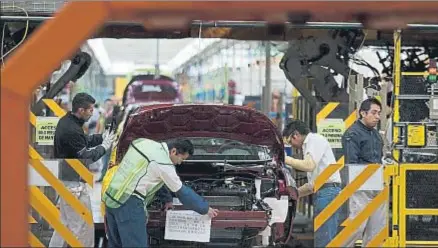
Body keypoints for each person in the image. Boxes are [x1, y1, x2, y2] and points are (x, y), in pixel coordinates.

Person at [102, 138, 219, 248]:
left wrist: (167, 199)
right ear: (173, 151)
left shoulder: (144, 143)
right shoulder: (164, 165)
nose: (179, 163)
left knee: (116, 244)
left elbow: (152, 175)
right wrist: (205, 208)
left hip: (112, 198)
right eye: (182, 159)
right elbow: (183, 193)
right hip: (129, 204)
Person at [49, 92, 115, 248]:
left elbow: (83, 140)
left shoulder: (68, 122)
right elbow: (86, 157)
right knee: (81, 226)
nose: (92, 113)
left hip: (68, 180)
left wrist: (102, 137)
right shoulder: (71, 129)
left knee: (64, 225)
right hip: (73, 184)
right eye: (90, 110)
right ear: (81, 110)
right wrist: (104, 147)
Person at [282, 120, 341, 248]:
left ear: (295, 135)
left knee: (325, 237)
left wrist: (285, 159)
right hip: (324, 192)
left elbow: (308, 166)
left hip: (328, 192)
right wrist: (292, 193)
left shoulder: (314, 140)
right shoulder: (310, 145)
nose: (293, 146)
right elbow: (313, 185)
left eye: (290, 142)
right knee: (323, 235)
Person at [341, 98, 385, 247]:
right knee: (357, 227)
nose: (377, 116)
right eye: (374, 112)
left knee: (376, 230)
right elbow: (351, 164)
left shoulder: (376, 135)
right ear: (363, 113)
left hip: (377, 184)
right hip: (361, 186)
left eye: (379, 113)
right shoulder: (352, 134)